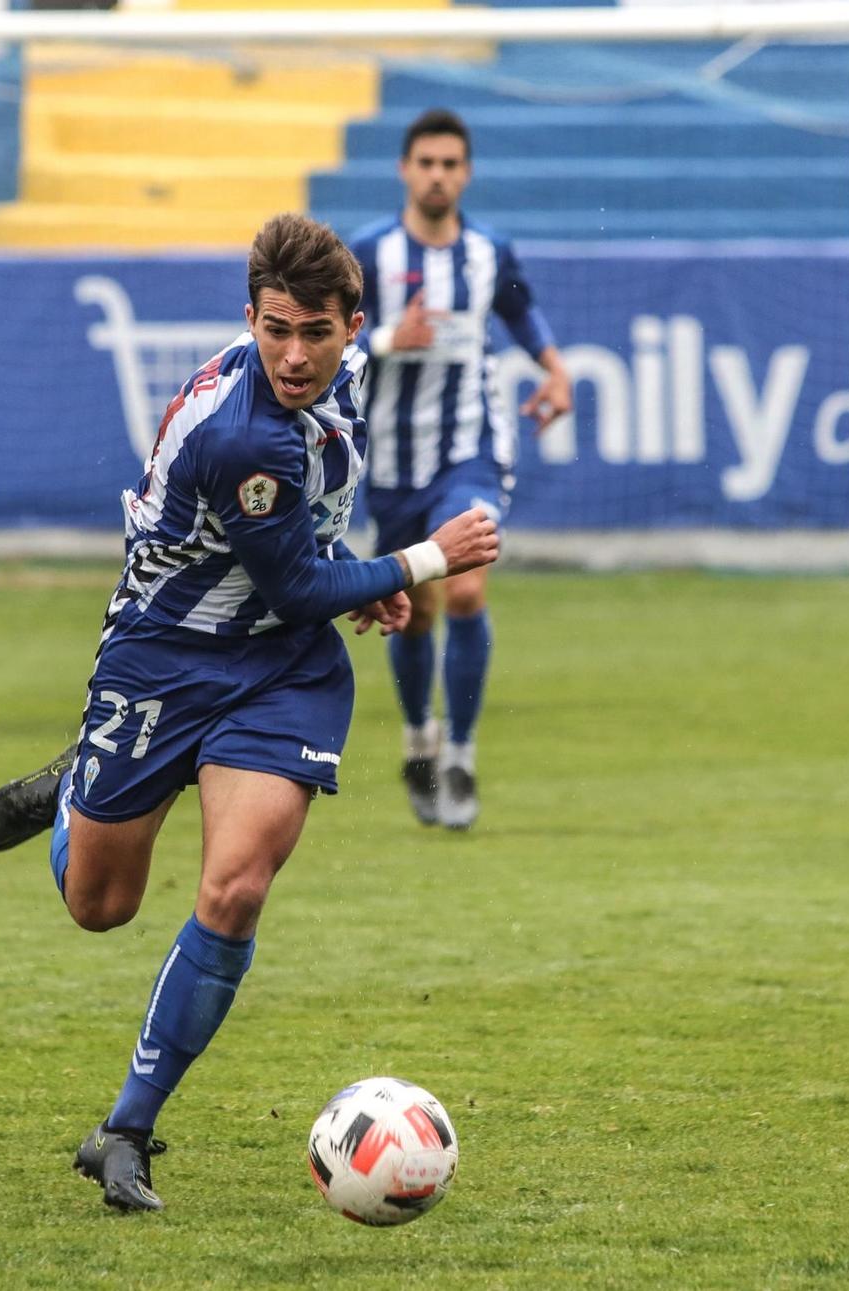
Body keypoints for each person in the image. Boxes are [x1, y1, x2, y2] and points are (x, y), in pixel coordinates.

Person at [0, 213, 498, 1213]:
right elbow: (297, 581)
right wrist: (424, 559)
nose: (293, 354)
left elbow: (303, 575)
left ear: (351, 325)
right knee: (100, 906)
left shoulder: (336, 373)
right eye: (274, 330)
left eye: (313, 331)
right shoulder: (240, 435)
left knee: (235, 888)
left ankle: (125, 1127)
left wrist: (357, 577)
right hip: (162, 660)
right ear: (249, 319)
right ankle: (82, 781)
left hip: (279, 672)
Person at [348, 108, 572, 830]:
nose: (438, 174)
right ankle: (420, 741)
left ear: (466, 173)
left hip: (470, 448)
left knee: (466, 588)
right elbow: (327, 347)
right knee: (411, 610)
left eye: (451, 163)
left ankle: (463, 756)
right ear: (405, 170)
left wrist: (554, 369)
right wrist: (387, 337)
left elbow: (521, 312)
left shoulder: (487, 252)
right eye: (427, 162)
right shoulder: (368, 255)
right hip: (390, 457)